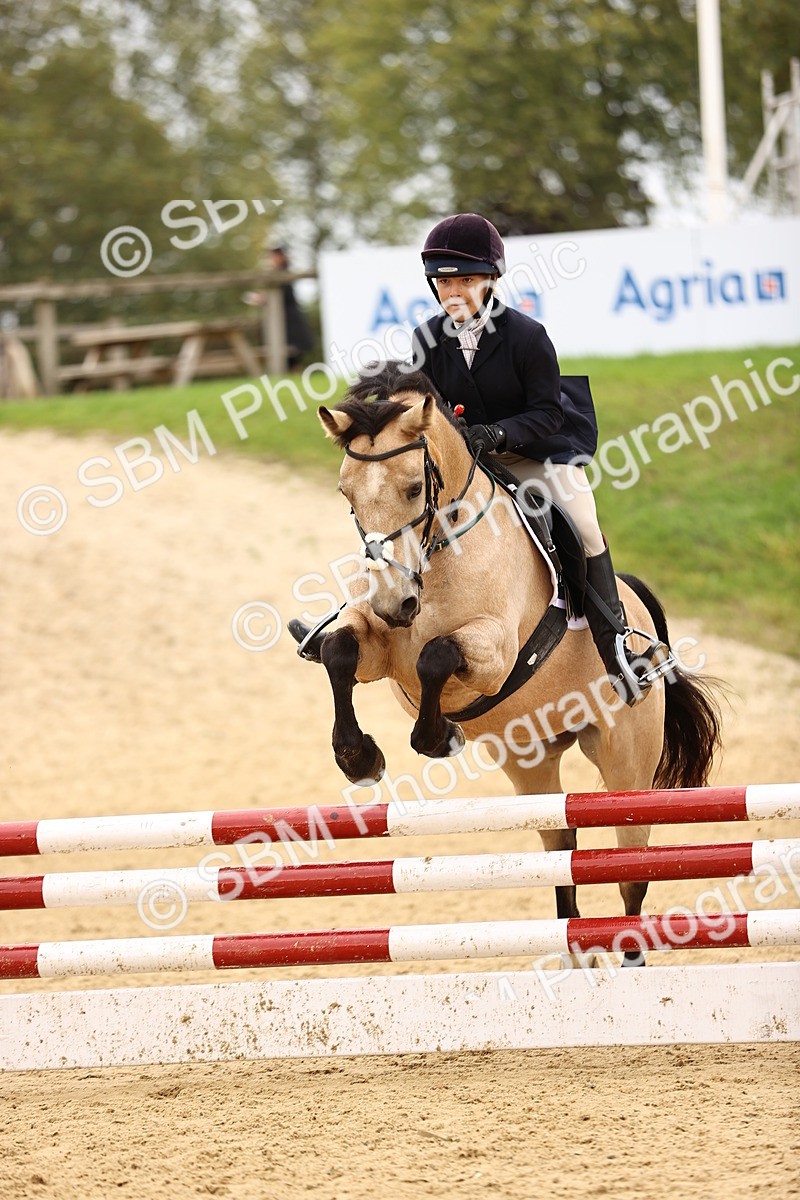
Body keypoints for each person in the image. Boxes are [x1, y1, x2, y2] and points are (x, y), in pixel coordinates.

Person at [290, 213, 664, 705]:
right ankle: (350, 617)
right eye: (445, 282)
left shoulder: (528, 336)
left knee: (583, 522)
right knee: (403, 514)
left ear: (490, 280)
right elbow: (414, 401)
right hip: (465, 464)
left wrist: (498, 433)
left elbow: (549, 413)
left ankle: (616, 643)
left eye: (466, 280)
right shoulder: (426, 338)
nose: (454, 292)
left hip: (532, 451)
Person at [243, 246, 314, 369]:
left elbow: (284, 295)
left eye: (272, 257)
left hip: (289, 321)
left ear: (280, 257)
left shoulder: (283, 274)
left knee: (291, 355)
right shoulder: (278, 272)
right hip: (282, 320)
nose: (270, 260)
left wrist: (262, 299)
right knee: (289, 357)